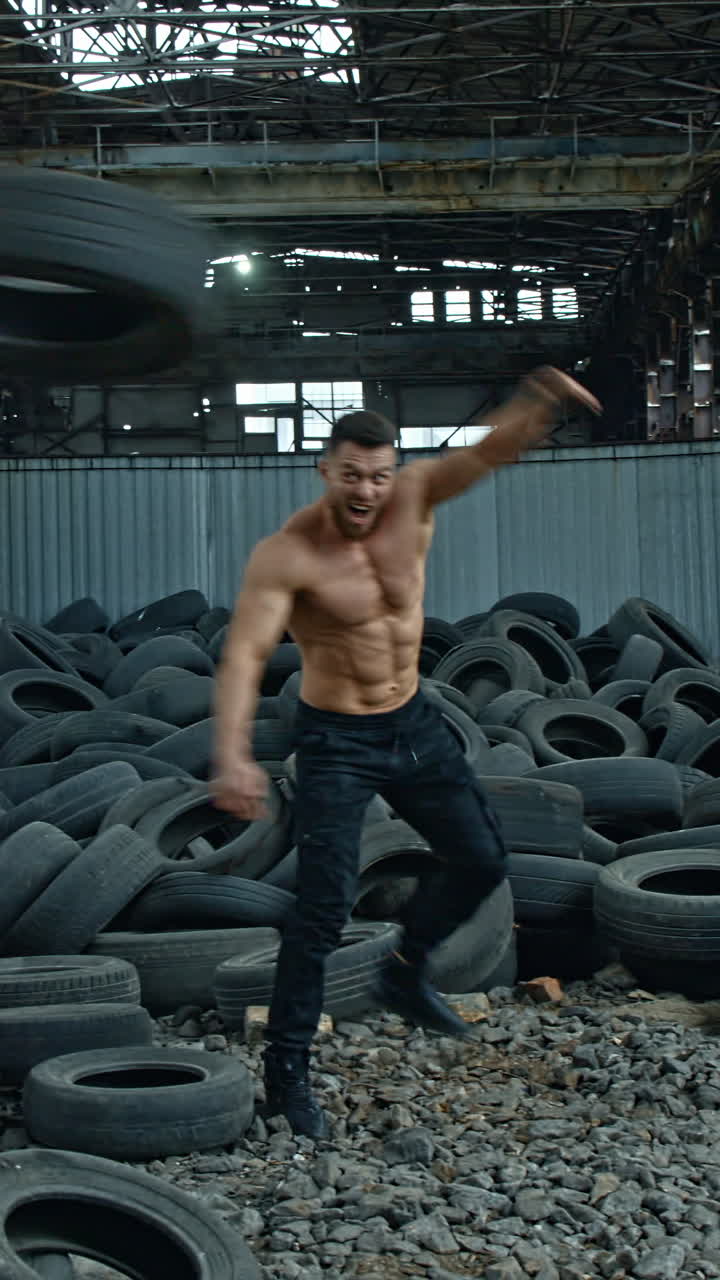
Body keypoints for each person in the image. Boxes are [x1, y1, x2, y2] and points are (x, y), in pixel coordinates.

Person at [212, 367, 601, 1138]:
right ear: (326, 469)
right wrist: (232, 754)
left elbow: (489, 453)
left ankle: (403, 967)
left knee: (483, 859)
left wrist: (538, 403)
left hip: (413, 721)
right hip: (335, 741)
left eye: (379, 476)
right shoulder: (286, 555)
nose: (366, 491)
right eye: (352, 475)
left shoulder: (415, 497)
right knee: (321, 912)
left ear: (395, 472)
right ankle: (287, 1070)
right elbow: (247, 657)